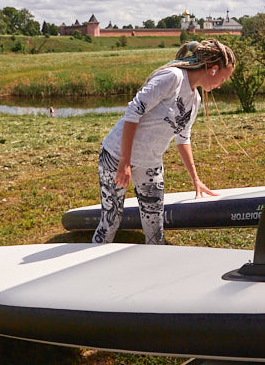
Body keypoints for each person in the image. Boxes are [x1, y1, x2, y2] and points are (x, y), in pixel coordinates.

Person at [91, 39, 236, 245]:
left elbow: (183, 137)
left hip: (150, 163)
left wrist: (195, 179)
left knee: (155, 228)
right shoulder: (173, 77)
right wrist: (125, 161)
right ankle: (92, 268)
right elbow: (133, 111)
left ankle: (154, 273)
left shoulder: (195, 100)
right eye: (225, 77)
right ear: (213, 69)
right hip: (116, 156)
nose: (222, 84)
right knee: (111, 220)